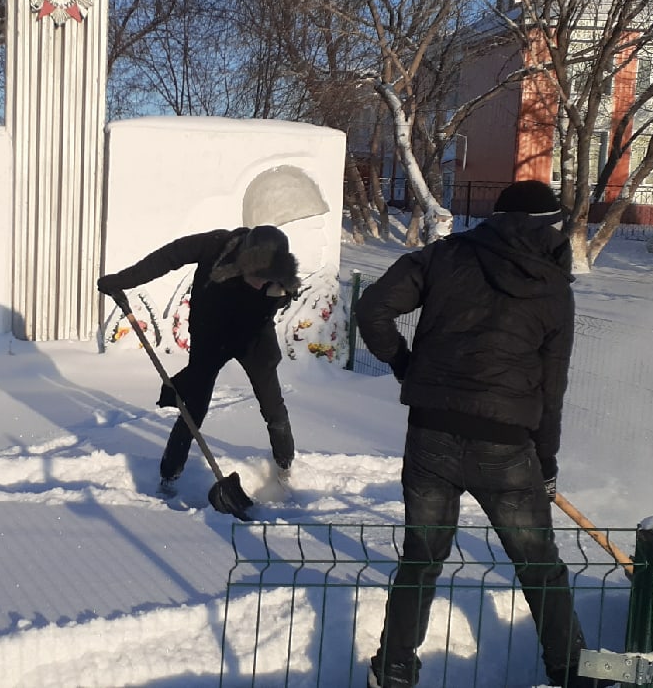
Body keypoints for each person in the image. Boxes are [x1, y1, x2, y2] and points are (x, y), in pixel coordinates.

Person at [355, 180, 607, 688]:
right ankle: (572, 671)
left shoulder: (445, 256)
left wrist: (407, 366)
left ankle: (395, 668)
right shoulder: (553, 288)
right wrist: (546, 462)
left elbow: (371, 308)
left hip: (431, 434)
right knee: (540, 566)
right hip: (506, 447)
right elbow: (551, 386)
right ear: (551, 227)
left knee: (422, 559)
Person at [97, 225, 300, 496]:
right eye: (257, 276)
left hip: (252, 338)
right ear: (245, 261)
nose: (260, 284)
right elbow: (166, 258)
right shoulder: (213, 245)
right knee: (194, 406)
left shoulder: (277, 284)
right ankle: (169, 476)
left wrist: (278, 297)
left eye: (267, 279)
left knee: (272, 403)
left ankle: (284, 468)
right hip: (211, 336)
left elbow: (269, 304)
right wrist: (121, 281)